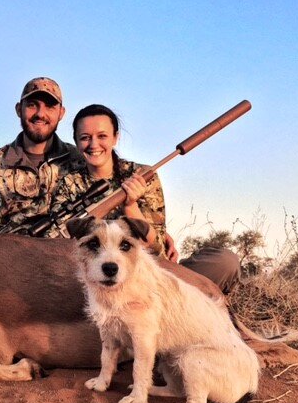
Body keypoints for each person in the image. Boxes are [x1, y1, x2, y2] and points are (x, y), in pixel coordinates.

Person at [54, 103, 241, 293]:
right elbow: (63, 247)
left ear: (115, 137)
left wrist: (130, 205)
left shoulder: (142, 175)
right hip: (95, 280)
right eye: (85, 138)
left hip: (151, 273)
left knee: (225, 262)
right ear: (76, 142)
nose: (94, 145)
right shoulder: (67, 183)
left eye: (102, 136)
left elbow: (157, 249)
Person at [0, 77, 84, 237]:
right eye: (32, 105)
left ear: (61, 113)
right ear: (18, 109)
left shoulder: (79, 158)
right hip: (11, 254)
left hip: (65, 254)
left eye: (50, 106)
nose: (40, 114)